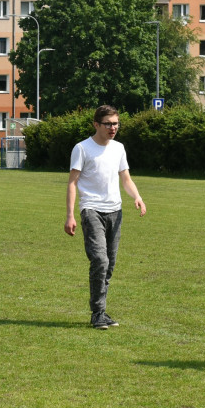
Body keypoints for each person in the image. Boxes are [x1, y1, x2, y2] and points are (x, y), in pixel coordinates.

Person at [65, 105, 146, 329]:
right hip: (91, 210)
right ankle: (97, 313)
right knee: (100, 260)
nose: (113, 128)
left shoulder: (119, 148)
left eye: (116, 123)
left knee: (109, 265)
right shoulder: (82, 149)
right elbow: (72, 183)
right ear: (96, 125)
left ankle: (102, 310)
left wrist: (137, 197)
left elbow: (126, 178)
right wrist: (70, 215)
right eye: (108, 124)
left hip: (115, 211)